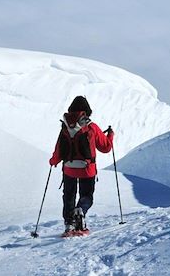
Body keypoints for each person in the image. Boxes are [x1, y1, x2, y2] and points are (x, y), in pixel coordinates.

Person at [49, 95, 114, 235]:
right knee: (87, 195)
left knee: (68, 196)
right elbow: (106, 148)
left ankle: (69, 223)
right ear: (87, 111)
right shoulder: (92, 127)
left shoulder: (64, 127)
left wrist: (53, 161)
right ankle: (80, 212)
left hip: (68, 169)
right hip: (87, 169)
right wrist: (111, 135)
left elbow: (59, 149)